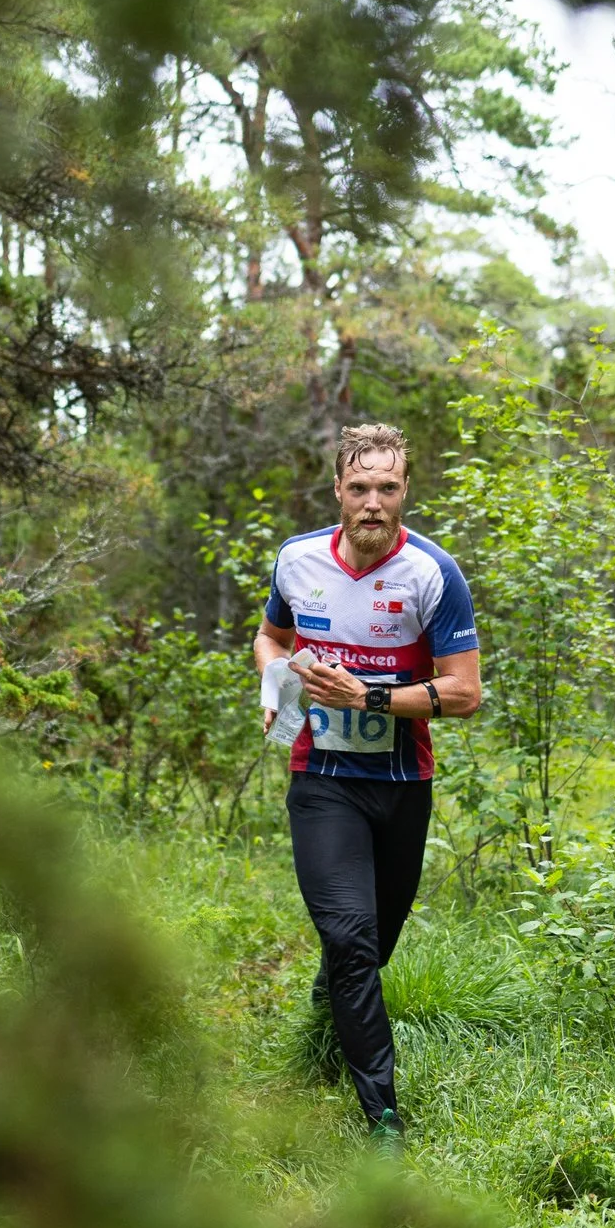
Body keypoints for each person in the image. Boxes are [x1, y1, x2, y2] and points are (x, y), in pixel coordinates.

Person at [253, 422, 481, 1143]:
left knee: (373, 942)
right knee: (350, 939)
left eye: (388, 488)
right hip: (321, 778)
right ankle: (383, 1118)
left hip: (401, 779)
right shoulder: (297, 561)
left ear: (405, 491)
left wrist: (370, 697)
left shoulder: (433, 574)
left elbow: (466, 693)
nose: (373, 503)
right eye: (360, 488)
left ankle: (330, 1010)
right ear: (338, 492)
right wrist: (274, 677)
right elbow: (272, 637)